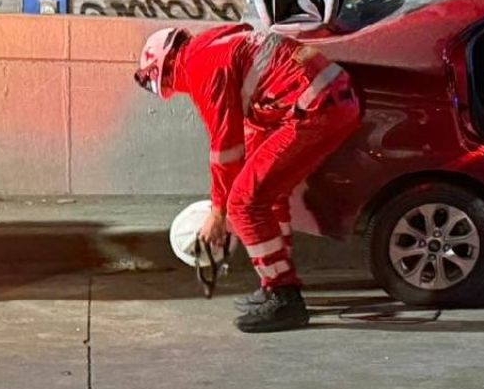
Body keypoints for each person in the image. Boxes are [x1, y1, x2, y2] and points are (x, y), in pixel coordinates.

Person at [134, 24, 360, 332]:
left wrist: (219, 212)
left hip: (313, 108)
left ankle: (284, 295)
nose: (170, 87)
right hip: (326, 100)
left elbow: (224, 149)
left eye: (160, 78)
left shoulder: (200, 67)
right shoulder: (215, 46)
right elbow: (248, 138)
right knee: (263, 196)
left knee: (244, 204)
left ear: (168, 61)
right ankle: (275, 284)